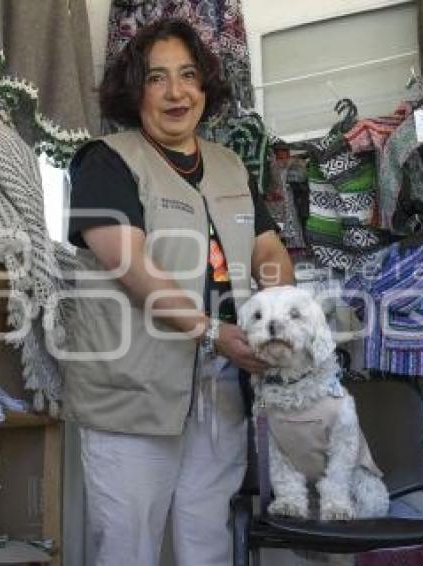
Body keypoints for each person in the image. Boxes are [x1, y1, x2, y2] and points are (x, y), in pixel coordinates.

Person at [63, 18, 294, 566]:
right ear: (134, 90)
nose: (176, 92)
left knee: (208, 539)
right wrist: (212, 332)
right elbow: (130, 264)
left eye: (188, 76)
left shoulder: (230, 165)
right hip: (132, 390)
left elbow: (267, 248)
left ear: (205, 86)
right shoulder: (106, 160)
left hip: (219, 390)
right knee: (128, 544)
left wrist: (278, 310)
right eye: (157, 78)